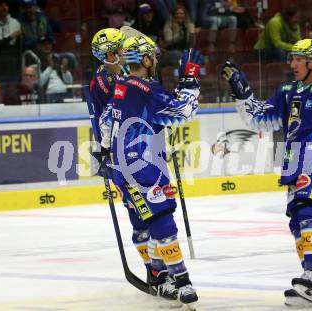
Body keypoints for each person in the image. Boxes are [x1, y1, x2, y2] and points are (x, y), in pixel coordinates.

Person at [221, 39, 312, 307]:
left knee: (308, 211)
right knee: (296, 222)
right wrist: (242, 92)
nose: (292, 64)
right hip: (293, 162)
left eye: (298, 59)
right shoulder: (287, 90)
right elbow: (259, 119)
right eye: (291, 59)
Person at [106, 35, 202, 310]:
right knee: (162, 222)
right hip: (144, 167)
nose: (156, 61)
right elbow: (184, 111)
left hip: (122, 169)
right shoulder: (145, 88)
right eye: (154, 57)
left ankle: (161, 277)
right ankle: (182, 281)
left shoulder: (121, 86)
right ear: (146, 59)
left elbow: (105, 123)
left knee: (149, 224)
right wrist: (190, 80)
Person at [89, 28, 180, 303]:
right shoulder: (106, 82)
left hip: (141, 155)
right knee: (142, 218)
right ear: (106, 56)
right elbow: (112, 119)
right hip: (124, 160)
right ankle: (156, 273)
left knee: (152, 215)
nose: (123, 54)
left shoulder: (121, 77)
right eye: (118, 51)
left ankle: (162, 269)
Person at [0, 0, 21, 82]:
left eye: (6, 5)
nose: (4, 8)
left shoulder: (15, 22)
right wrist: (11, 37)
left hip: (12, 63)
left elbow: (18, 45)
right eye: (1, 5)